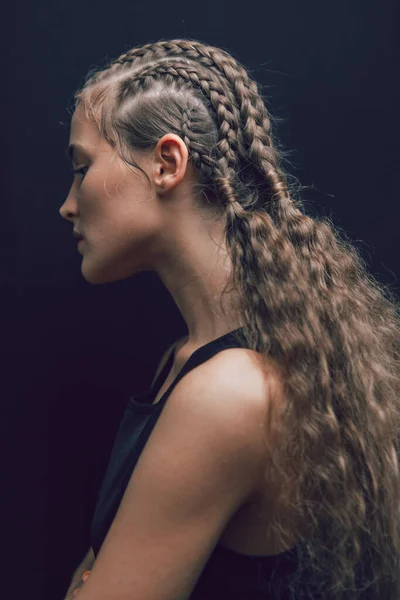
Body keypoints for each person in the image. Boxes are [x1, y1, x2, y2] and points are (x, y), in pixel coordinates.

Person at [59, 38, 400, 599]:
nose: (68, 204)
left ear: (166, 163)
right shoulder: (190, 362)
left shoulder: (227, 392)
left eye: (81, 168)